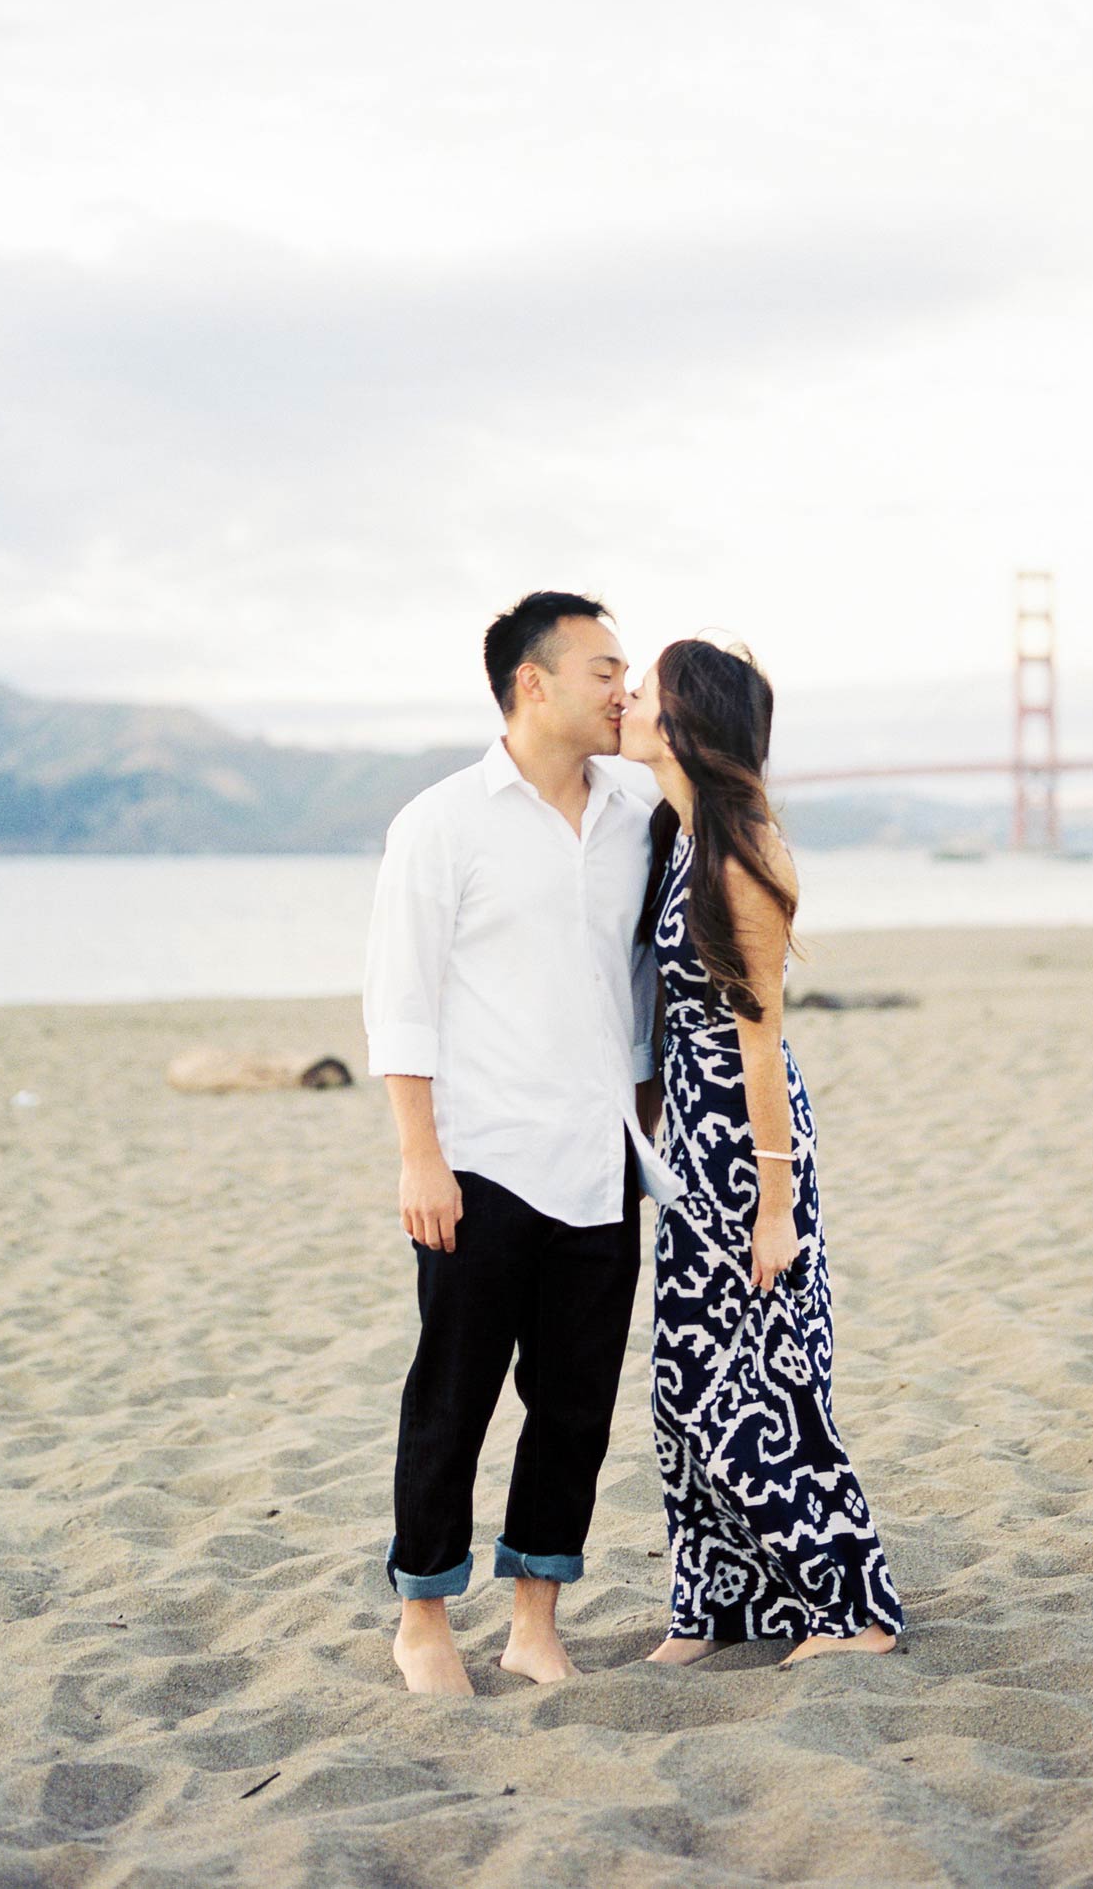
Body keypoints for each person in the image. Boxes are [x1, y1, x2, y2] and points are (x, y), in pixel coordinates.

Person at [363, 590, 670, 1696]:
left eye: (628, 672)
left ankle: (535, 1620)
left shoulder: (639, 810)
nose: (622, 690)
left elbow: (641, 983)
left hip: (601, 1158)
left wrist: (641, 1115)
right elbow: (399, 997)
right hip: (481, 1157)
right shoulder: (442, 821)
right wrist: (418, 1153)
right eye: (603, 669)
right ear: (530, 682)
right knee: (451, 1396)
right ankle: (424, 1618)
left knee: (574, 1403)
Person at [618, 637, 905, 1666]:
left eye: (643, 688)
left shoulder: (739, 857)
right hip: (692, 1140)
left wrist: (773, 1203)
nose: (626, 699)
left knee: (760, 1386)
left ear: (685, 722)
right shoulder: (673, 837)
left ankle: (855, 1610)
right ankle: (714, 1608)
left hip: (746, 1147)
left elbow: (759, 1038)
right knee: (683, 1380)